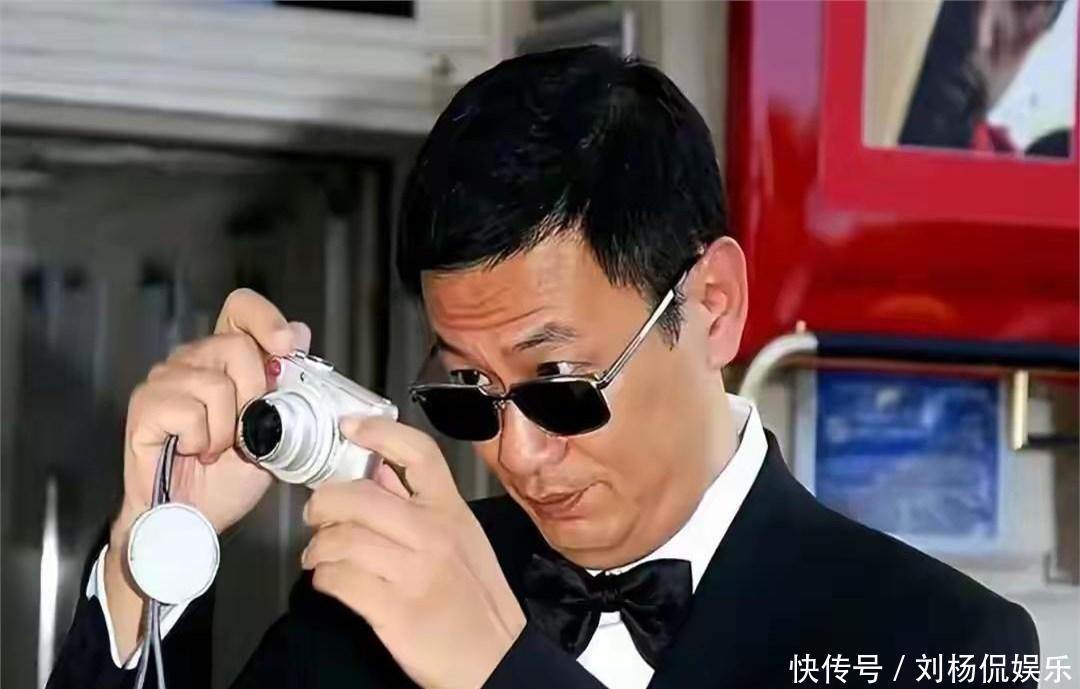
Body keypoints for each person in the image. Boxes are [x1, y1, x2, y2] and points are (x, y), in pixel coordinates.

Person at [49, 46, 1037, 689]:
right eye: (468, 395)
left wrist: (505, 669)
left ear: (713, 304)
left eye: (560, 384)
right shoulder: (374, 595)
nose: (517, 454)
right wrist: (147, 564)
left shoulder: (939, 645)